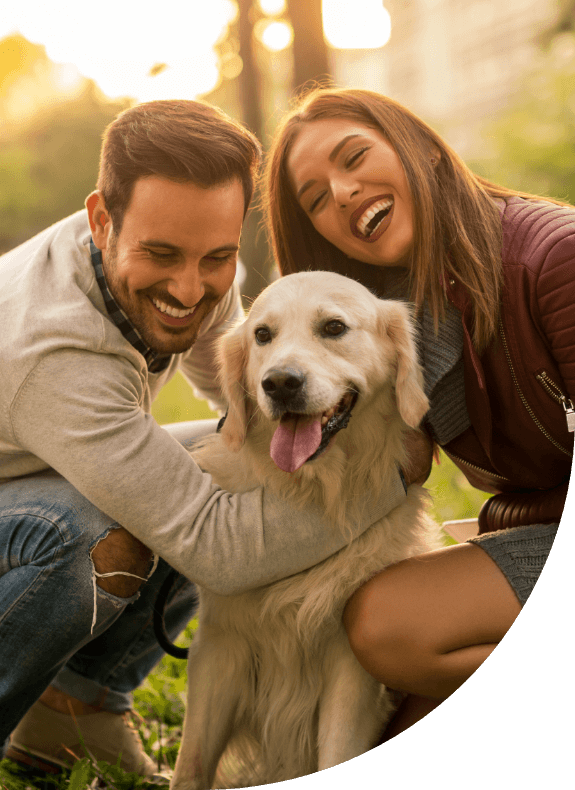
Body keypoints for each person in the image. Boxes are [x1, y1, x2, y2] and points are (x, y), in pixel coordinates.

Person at [0, 99, 409, 774]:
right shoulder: (51, 352)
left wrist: (350, 427)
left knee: (212, 455)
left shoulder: (186, 250)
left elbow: (241, 415)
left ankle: (75, 713)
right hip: (20, 504)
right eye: (161, 255)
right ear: (102, 219)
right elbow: (215, 548)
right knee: (89, 529)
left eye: (215, 258)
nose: (191, 290)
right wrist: (392, 474)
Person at [263, 87, 574, 739]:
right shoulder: (400, 317)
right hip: (525, 528)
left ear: (424, 150)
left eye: (353, 157)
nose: (341, 191)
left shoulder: (554, 259)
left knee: (387, 623)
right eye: (315, 198)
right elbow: (394, 469)